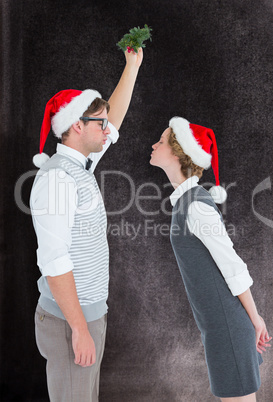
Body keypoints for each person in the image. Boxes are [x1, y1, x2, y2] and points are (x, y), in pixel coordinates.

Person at [30, 48, 143, 402]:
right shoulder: (58, 180)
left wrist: (132, 66)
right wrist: (79, 329)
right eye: (101, 124)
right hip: (69, 323)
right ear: (77, 126)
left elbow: (115, 115)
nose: (109, 130)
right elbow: (55, 261)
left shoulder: (81, 165)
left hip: (88, 316)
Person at [150, 117, 272, 402]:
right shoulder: (185, 202)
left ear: (180, 154)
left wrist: (255, 320)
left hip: (228, 329)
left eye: (162, 141)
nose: (154, 144)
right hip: (219, 329)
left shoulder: (196, 206)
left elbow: (233, 267)